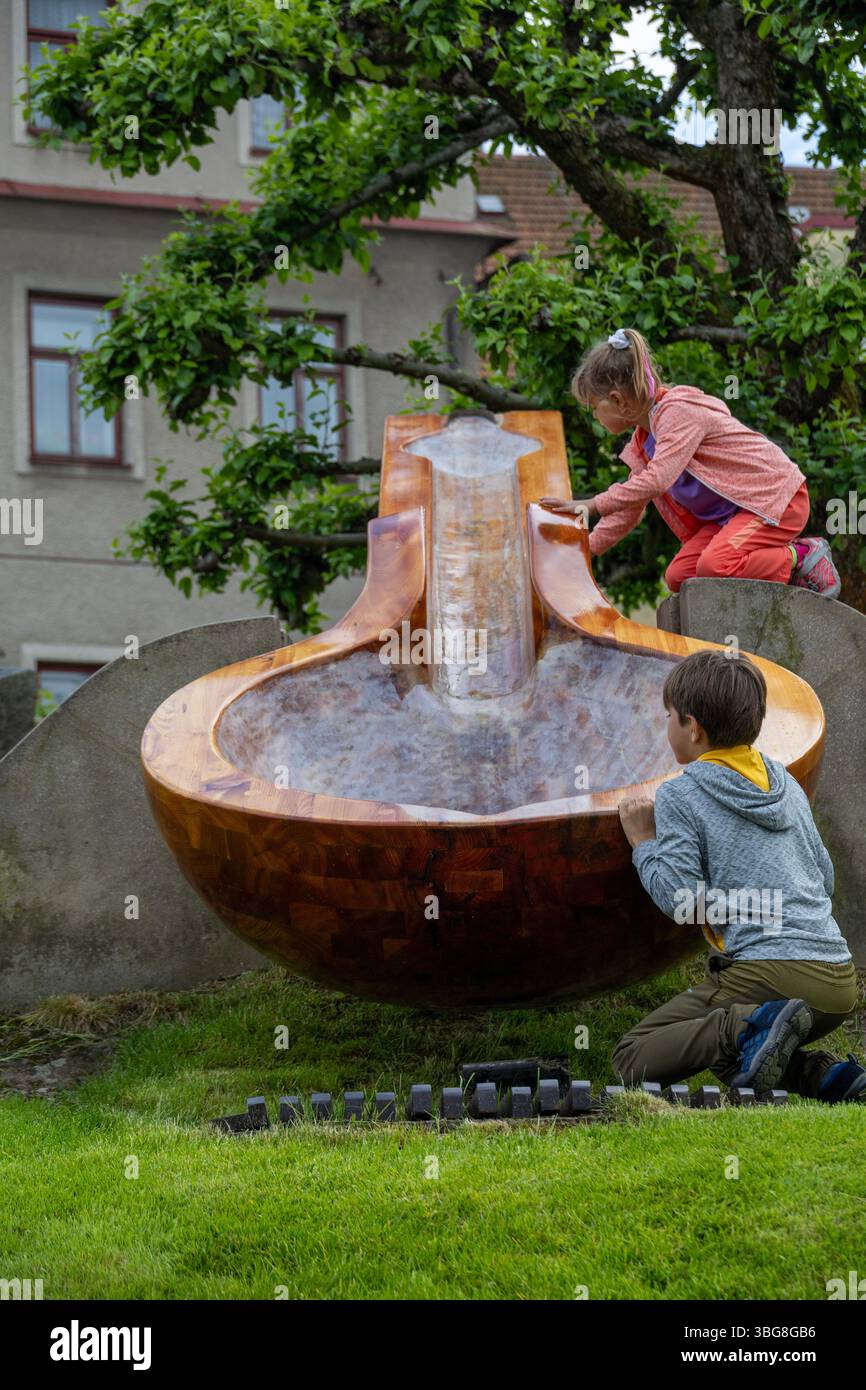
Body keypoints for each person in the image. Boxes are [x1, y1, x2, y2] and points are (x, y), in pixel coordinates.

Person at [614, 648, 863, 1101]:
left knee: (632, 1056)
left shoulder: (681, 795)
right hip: (838, 982)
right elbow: (824, 877)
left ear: (692, 727)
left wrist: (643, 843)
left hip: (778, 976)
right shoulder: (783, 782)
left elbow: (680, 902)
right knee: (744, 1059)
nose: (666, 724)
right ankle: (826, 1078)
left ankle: (749, 1023)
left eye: (669, 714)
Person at [542, 326, 840, 597]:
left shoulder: (677, 411)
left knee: (715, 566)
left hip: (773, 500)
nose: (595, 416)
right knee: (680, 577)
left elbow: (658, 479)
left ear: (618, 400)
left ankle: (801, 554)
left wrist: (592, 504)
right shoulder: (642, 441)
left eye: (595, 407)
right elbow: (630, 507)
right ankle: (781, 570)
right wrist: (584, 551)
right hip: (730, 518)